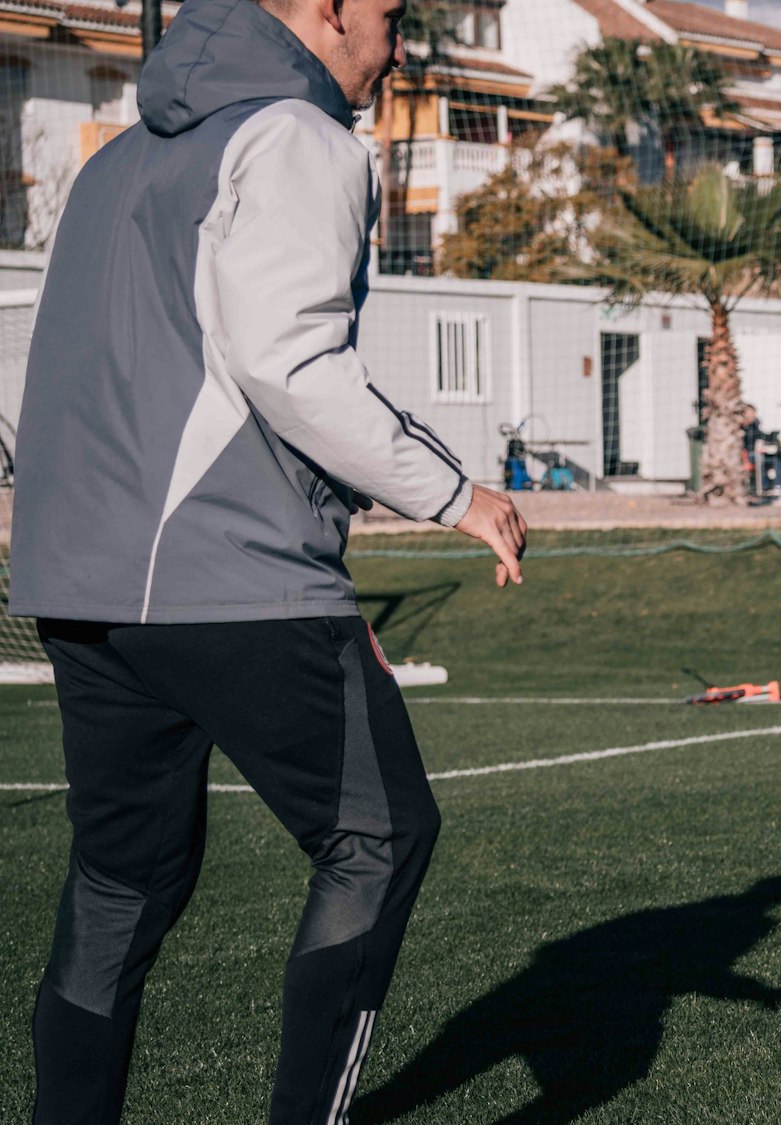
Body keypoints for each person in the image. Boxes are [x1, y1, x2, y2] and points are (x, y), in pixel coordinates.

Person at [5, 0, 529, 1119]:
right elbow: (290, 361)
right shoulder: (297, 138)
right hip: (228, 572)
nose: (398, 51)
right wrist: (456, 494)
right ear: (329, 9)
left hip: (81, 584)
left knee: (121, 879)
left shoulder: (113, 162)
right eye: (387, 18)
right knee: (379, 836)